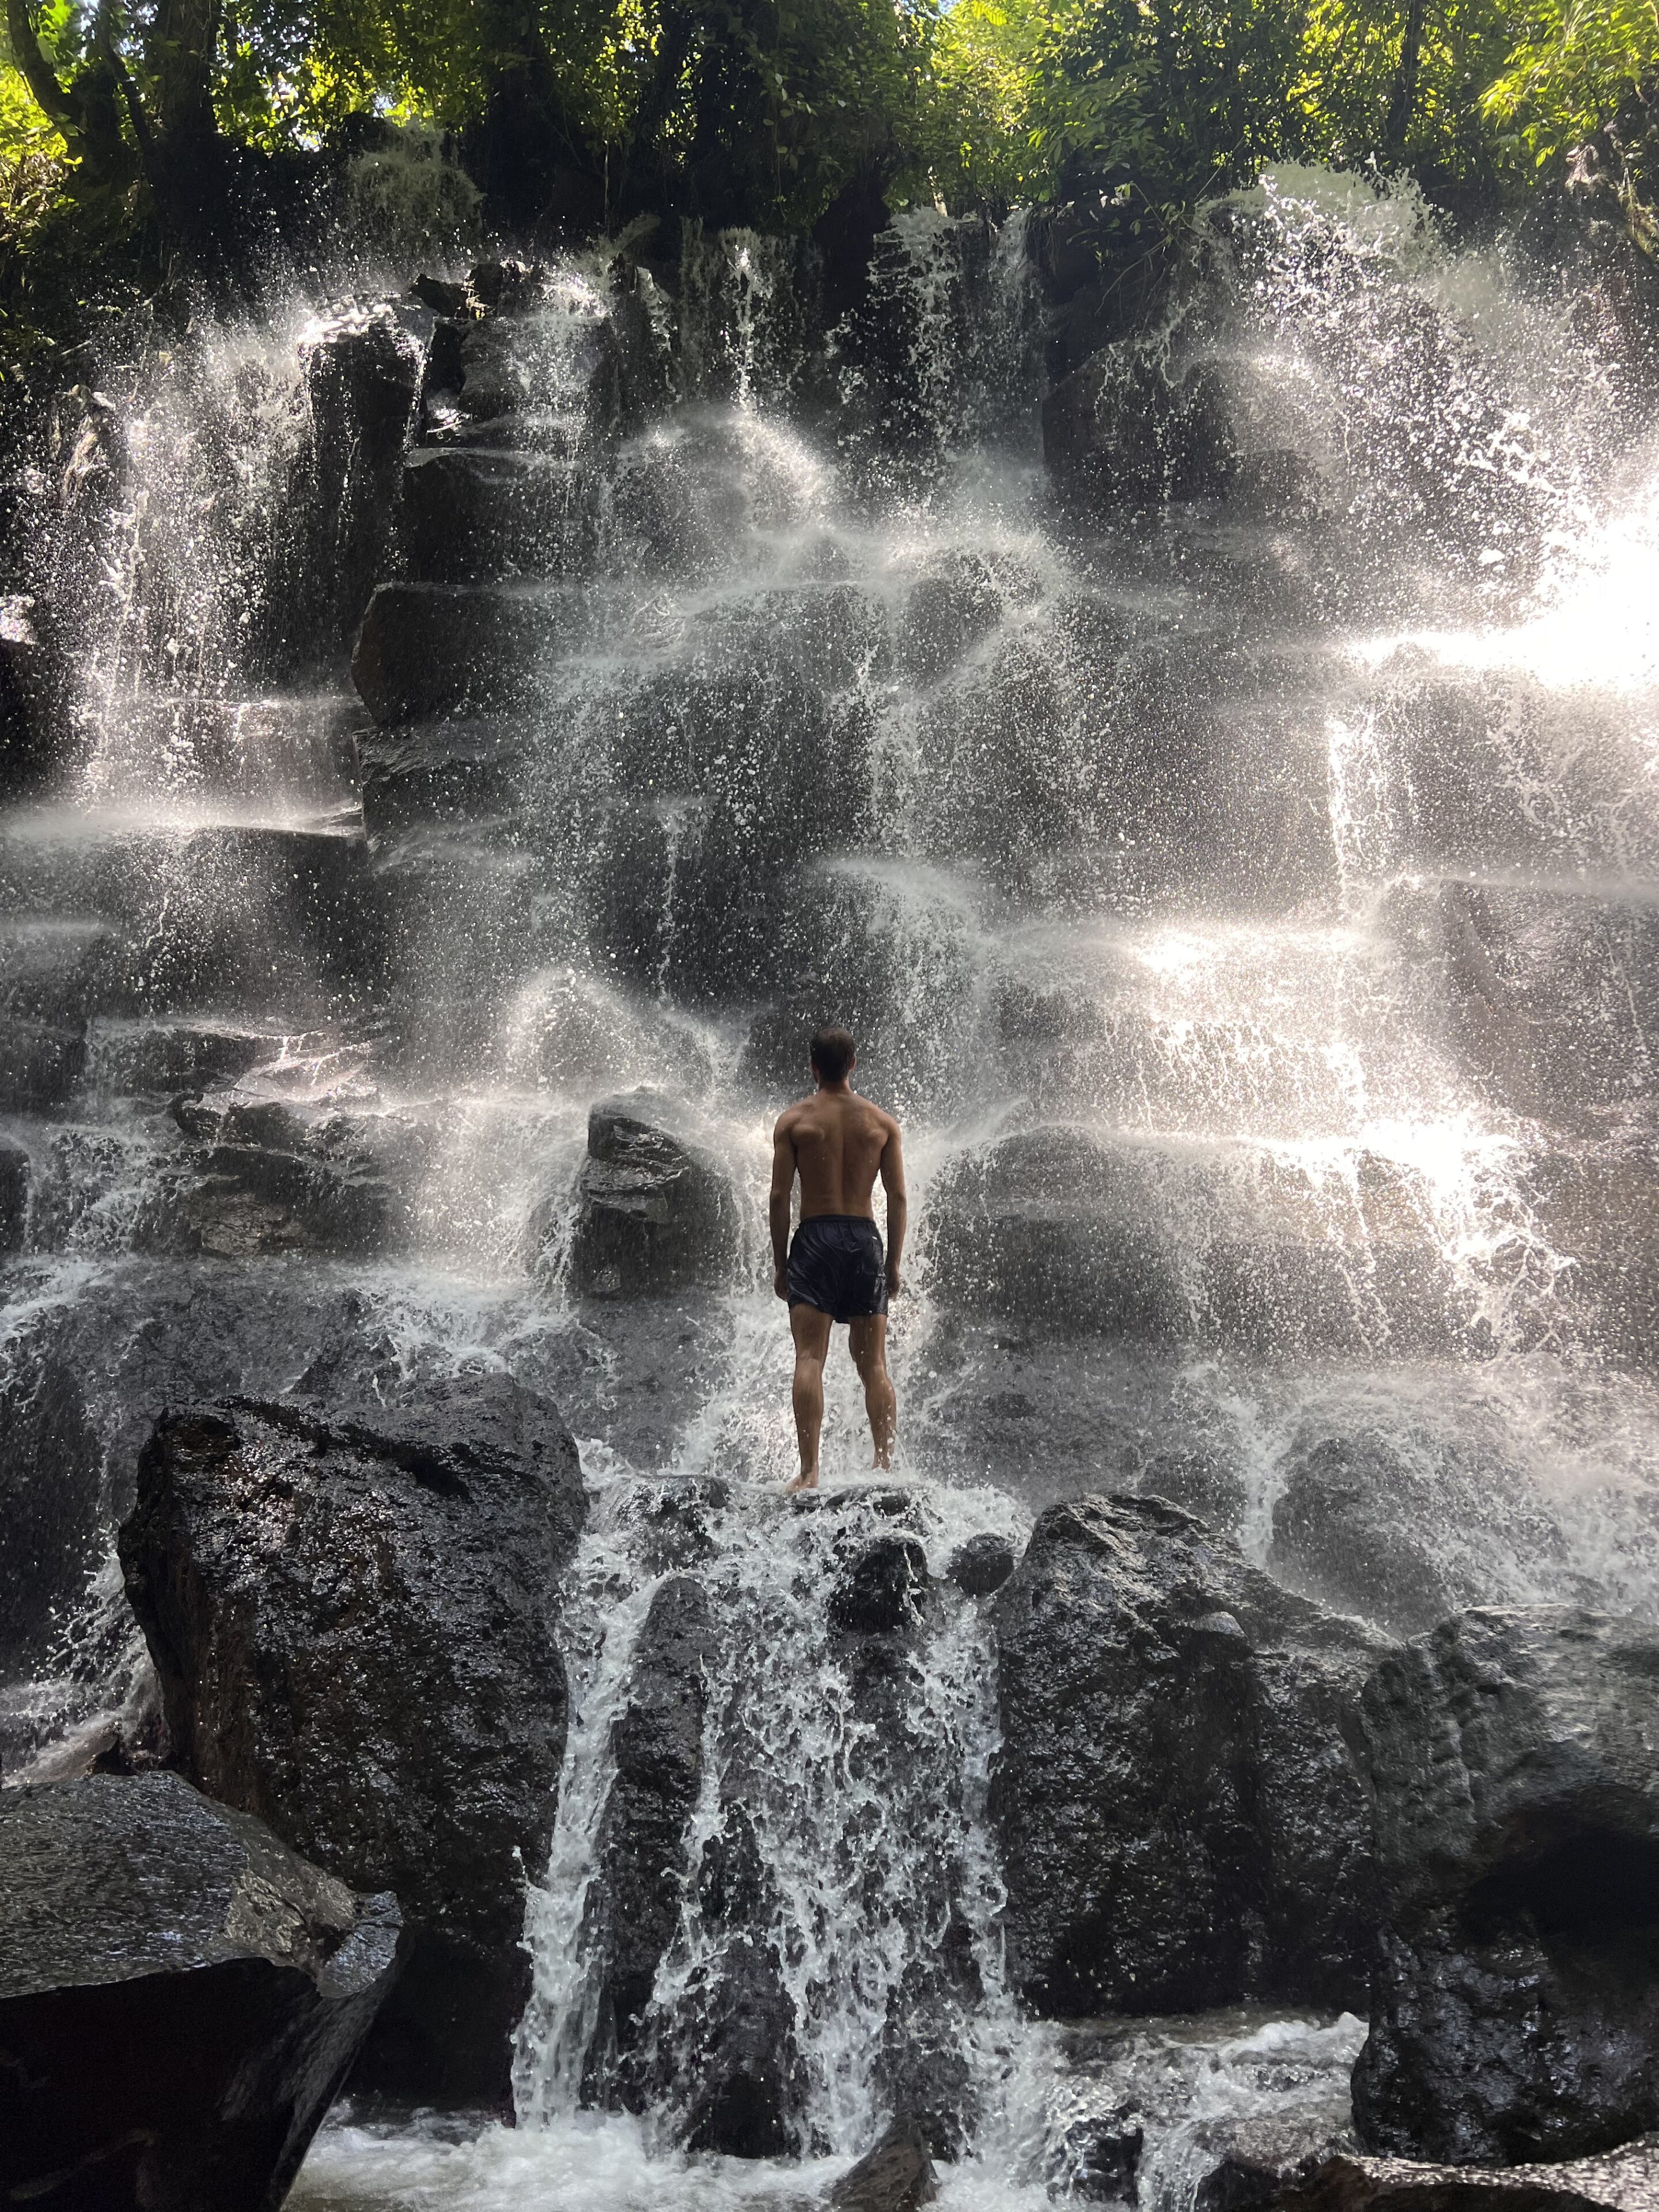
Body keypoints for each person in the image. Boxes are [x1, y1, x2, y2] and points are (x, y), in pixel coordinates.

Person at [769, 1025, 906, 1491]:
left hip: (815, 1238)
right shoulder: (882, 1124)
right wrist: (892, 1265)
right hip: (865, 1239)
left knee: (810, 1356)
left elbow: (779, 1196)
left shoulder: (795, 1122)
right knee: (875, 1366)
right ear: (853, 1064)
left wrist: (781, 1264)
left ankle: (809, 1472)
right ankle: (885, 1468)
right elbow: (899, 1197)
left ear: (813, 1067)